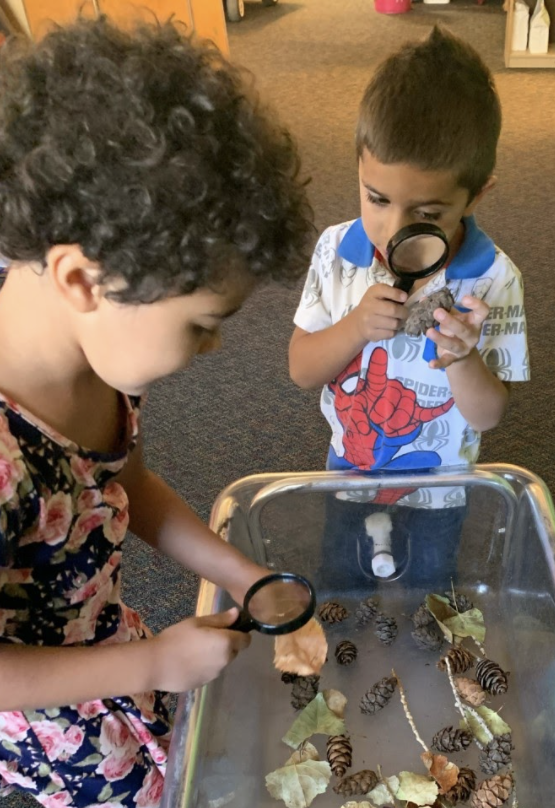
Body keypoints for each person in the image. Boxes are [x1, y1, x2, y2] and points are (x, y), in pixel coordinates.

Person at [0, 17, 313, 808]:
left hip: (107, 639)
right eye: (201, 324)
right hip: (54, 722)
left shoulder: (96, 351)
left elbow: (120, 479)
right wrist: (147, 668)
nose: (212, 350)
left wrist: (244, 576)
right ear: (81, 280)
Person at [289, 26, 529, 590]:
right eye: (376, 198)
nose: (393, 229)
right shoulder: (335, 251)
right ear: (357, 171)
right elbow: (302, 369)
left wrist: (464, 359)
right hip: (349, 473)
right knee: (343, 579)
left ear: (476, 196)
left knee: (429, 585)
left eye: (427, 211)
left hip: (443, 487)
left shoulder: (494, 278)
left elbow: (488, 414)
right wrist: (352, 329)